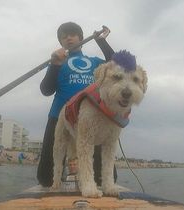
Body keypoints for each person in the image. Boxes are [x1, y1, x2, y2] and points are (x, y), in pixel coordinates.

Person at [37, 22, 117, 187]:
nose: (68, 37)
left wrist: (101, 41)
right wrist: (54, 66)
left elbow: (116, 65)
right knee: (45, 179)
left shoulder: (95, 62)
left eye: (72, 34)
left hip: (92, 118)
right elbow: (46, 90)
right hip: (59, 116)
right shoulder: (57, 62)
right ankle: (62, 175)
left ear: (80, 38)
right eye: (64, 36)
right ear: (61, 42)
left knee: (102, 179)